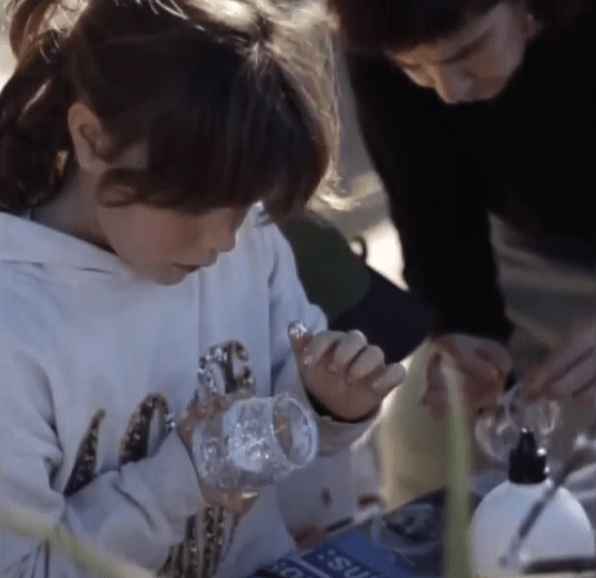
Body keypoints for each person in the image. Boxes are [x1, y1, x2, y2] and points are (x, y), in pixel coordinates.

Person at [0, 0, 407, 576]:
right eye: (195, 205)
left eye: (243, 205)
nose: (223, 240)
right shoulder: (16, 326)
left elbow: (290, 430)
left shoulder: (249, 242)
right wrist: (184, 479)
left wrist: (325, 406)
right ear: (91, 139)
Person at [328, 0, 595, 506]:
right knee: (425, 448)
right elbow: (430, 204)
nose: (448, 91)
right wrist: (465, 330)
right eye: (415, 66)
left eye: (469, 51)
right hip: (523, 255)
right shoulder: (382, 35)